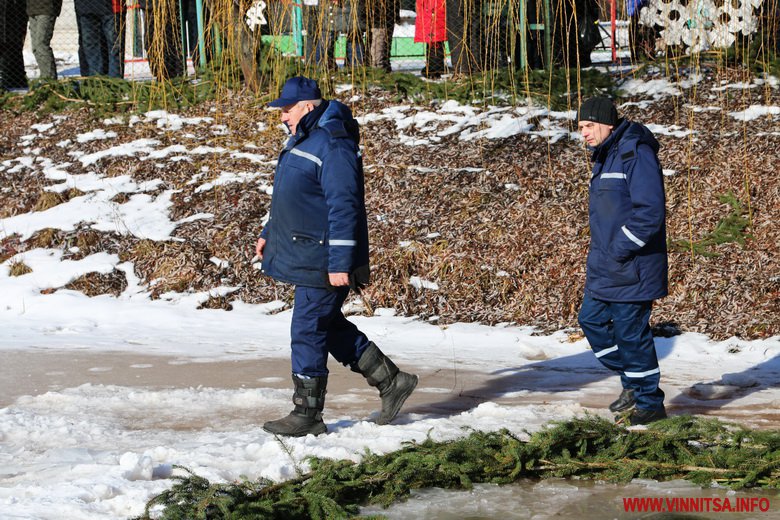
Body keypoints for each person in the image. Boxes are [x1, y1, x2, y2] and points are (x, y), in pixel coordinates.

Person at [256, 76, 418, 437]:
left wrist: (340, 263)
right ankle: (392, 381)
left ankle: (308, 414)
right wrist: (269, 233)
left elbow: (344, 205)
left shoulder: (333, 144)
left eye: (287, 109)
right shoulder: (306, 137)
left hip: (325, 255)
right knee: (325, 326)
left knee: (308, 327)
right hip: (308, 248)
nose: (282, 116)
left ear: (309, 105)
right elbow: (293, 197)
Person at [576, 97, 668, 426]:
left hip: (632, 266)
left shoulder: (635, 152)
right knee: (591, 321)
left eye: (588, 126)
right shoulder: (605, 155)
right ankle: (632, 381)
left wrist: (619, 249)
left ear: (607, 124)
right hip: (606, 266)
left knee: (631, 335)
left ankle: (649, 403)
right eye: (580, 128)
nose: (583, 133)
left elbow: (649, 213)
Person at [75, 0, 122, 77]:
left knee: (113, 47)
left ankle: (115, 82)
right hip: (86, 8)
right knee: (91, 47)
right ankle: (96, 81)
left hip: (109, 8)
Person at [27, 0, 63, 81]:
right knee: (35, 48)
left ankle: (49, 79)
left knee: (41, 45)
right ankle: (45, 77)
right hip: (31, 10)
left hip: (46, 9)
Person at [0, 0, 29, 90]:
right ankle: (7, 77)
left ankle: (14, 79)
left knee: (14, 44)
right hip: (9, 14)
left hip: (13, 15)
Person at [415, 0, 447, 78]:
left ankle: (434, 68)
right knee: (434, 41)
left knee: (434, 41)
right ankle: (435, 67)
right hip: (431, 10)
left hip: (431, 9)